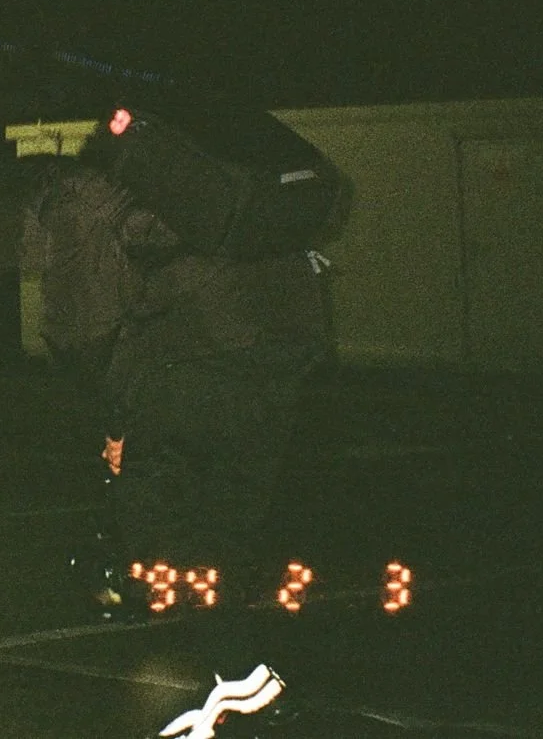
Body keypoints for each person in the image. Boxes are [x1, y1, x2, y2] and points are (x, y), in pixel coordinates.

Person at [30, 140, 330, 739]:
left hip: (191, 366)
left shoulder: (80, 202)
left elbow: (84, 331)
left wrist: (117, 424)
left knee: (159, 524)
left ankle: (233, 680)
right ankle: (241, 677)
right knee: (224, 524)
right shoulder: (215, 178)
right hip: (281, 355)